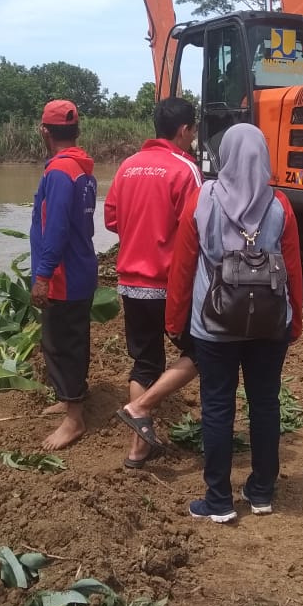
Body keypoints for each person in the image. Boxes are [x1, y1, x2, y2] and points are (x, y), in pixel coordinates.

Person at [166, 123, 303, 523]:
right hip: (269, 325)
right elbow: (292, 269)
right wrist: (294, 321)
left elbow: (183, 267)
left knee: (217, 408)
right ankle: (261, 492)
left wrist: (175, 322)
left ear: (224, 155)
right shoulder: (281, 205)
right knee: (264, 404)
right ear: (264, 157)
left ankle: (218, 501)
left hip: (213, 325)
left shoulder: (201, 199)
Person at [105, 97, 203, 469]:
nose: (193, 137)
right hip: (171, 285)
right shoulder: (186, 169)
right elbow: (198, 226)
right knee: (202, 354)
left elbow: (112, 220)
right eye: (192, 131)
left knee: (145, 362)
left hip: (131, 283)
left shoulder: (128, 166)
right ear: (183, 131)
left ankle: (137, 449)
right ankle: (140, 407)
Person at [30, 99, 98, 450]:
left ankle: (74, 418)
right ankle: (70, 397)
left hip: (64, 275)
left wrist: (41, 275)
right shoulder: (82, 169)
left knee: (60, 345)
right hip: (81, 267)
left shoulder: (58, 172)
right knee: (73, 340)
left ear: (45, 131)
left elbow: (54, 229)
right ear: (76, 130)